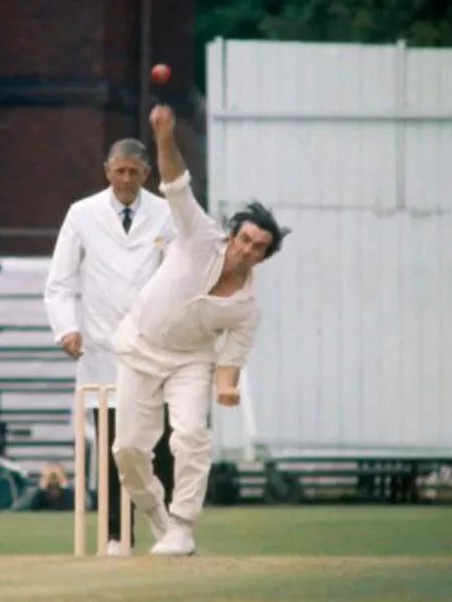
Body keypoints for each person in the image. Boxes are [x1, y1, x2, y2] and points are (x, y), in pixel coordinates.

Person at [111, 105, 290, 556]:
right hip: (138, 345)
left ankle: (184, 527)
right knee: (127, 450)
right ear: (233, 236)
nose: (247, 250)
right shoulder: (197, 233)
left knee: (190, 434)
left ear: (264, 257)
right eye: (244, 240)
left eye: (259, 248)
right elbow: (175, 183)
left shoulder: (247, 308)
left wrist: (227, 389)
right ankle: (157, 514)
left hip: (191, 361)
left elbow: (231, 362)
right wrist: (165, 136)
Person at [44, 138, 177, 555]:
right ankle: (117, 534)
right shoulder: (82, 214)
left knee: (159, 449)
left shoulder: (167, 213)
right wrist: (66, 328)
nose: (125, 179)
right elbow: (60, 282)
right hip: (103, 351)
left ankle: (169, 531)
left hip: (154, 349)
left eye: (133, 172)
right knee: (112, 450)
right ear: (107, 170)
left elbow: (178, 279)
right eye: (118, 171)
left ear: (146, 174)